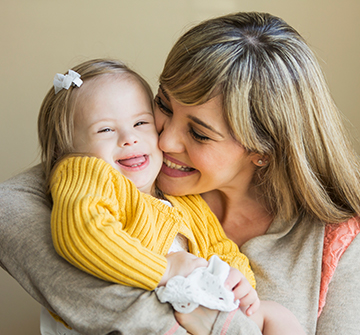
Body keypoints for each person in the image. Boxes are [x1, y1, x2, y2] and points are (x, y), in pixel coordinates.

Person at [0, 11, 359, 335]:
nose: (165, 139)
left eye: (199, 133)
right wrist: (193, 315)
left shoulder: (338, 244)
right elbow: (8, 208)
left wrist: (223, 315)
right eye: (163, 105)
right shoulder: (128, 170)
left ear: (262, 151)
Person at [41, 58, 304, 335]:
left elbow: (218, 245)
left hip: (195, 303)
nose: (130, 139)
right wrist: (165, 269)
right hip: (135, 313)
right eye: (105, 130)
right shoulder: (87, 173)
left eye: (142, 122)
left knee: (276, 316)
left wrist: (238, 279)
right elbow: (84, 234)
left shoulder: (182, 198)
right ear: (66, 149)